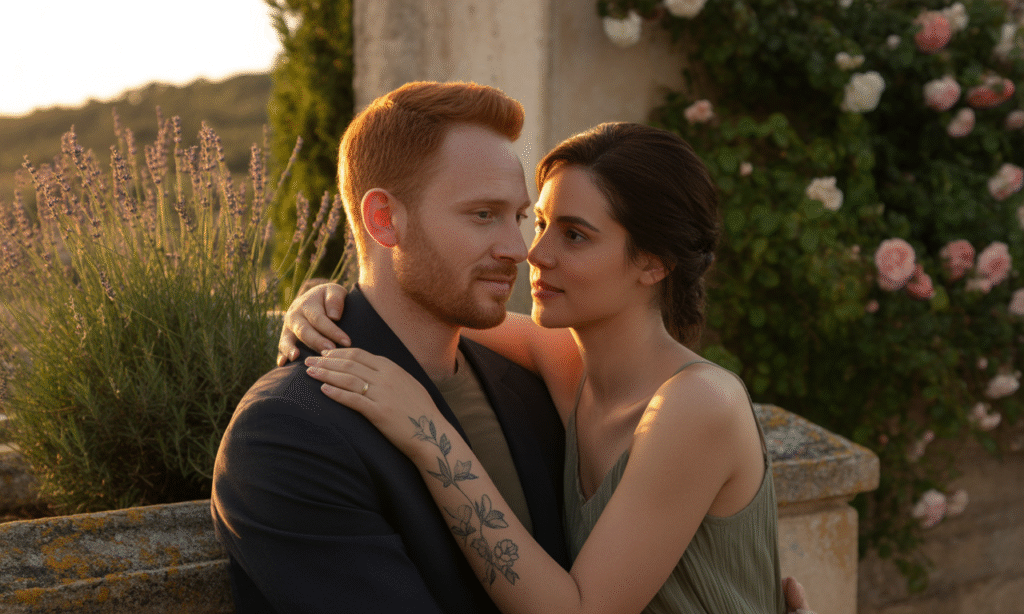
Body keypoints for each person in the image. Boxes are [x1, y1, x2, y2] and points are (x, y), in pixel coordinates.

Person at [283, 122, 800, 613]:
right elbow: (421, 306)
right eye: (544, 224)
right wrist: (319, 304)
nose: (534, 253)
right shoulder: (566, 364)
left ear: (653, 262)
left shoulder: (698, 403)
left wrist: (427, 432)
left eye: (574, 236)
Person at [211, 81, 571, 613]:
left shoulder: (524, 386)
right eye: (482, 215)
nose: (518, 250)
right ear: (383, 219)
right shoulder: (286, 433)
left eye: (517, 217)